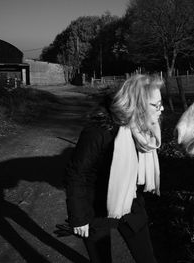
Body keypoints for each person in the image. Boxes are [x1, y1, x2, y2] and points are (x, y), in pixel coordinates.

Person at [65, 74, 164, 263]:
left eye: (161, 103)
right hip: (95, 206)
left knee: (148, 259)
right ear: (137, 104)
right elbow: (77, 174)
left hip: (131, 202)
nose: (162, 109)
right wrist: (78, 217)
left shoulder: (145, 131)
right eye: (156, 105)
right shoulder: (98, 131)